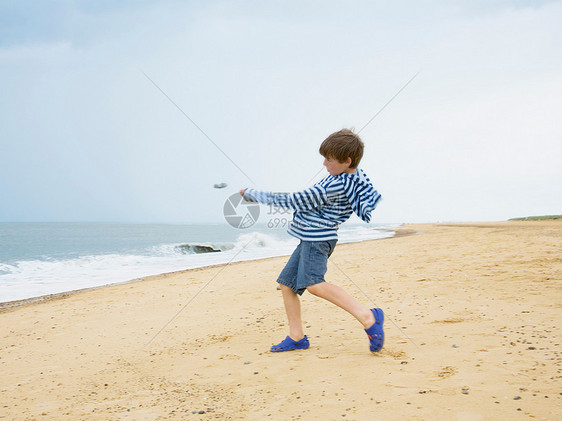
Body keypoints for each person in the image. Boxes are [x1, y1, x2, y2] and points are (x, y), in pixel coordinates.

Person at [239, 129, 384, 353]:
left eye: (329, 159)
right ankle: (297, 337)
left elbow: (296, 200)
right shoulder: (348, 175)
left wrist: (253, 194)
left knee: (315, 284)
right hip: (311, 238)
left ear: (347, 161)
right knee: (287, 285)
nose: (324, 164)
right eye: (324, 158)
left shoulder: (335, 185)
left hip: (318, 239)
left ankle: (368, 317)